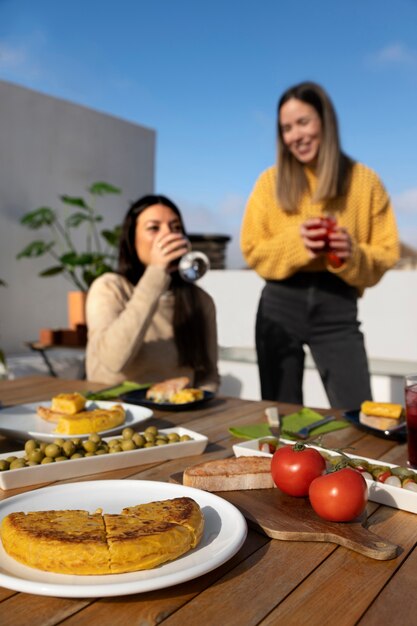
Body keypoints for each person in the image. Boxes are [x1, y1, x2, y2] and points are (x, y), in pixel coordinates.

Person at [240, 81, 399, 409]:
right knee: (280, 414)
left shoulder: (364, 181)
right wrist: (297, 243)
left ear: (325, 121)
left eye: (303, 122)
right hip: (279, 303)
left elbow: (386, 254)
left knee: (359, 413)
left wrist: (351, 254)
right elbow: (253, 250)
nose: (296, 135)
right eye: (286, 128)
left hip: (337, 303)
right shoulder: (269, 182)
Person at [86, 194, 220, 391]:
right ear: (132, 239)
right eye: (154, 228)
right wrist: (157, 274)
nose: (168, 235)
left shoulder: (200, 300)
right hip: (116, 411)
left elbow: (209, 375)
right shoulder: (109, 288)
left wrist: (199, 406)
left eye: (176, 228)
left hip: (178, 414)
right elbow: (113, 360)